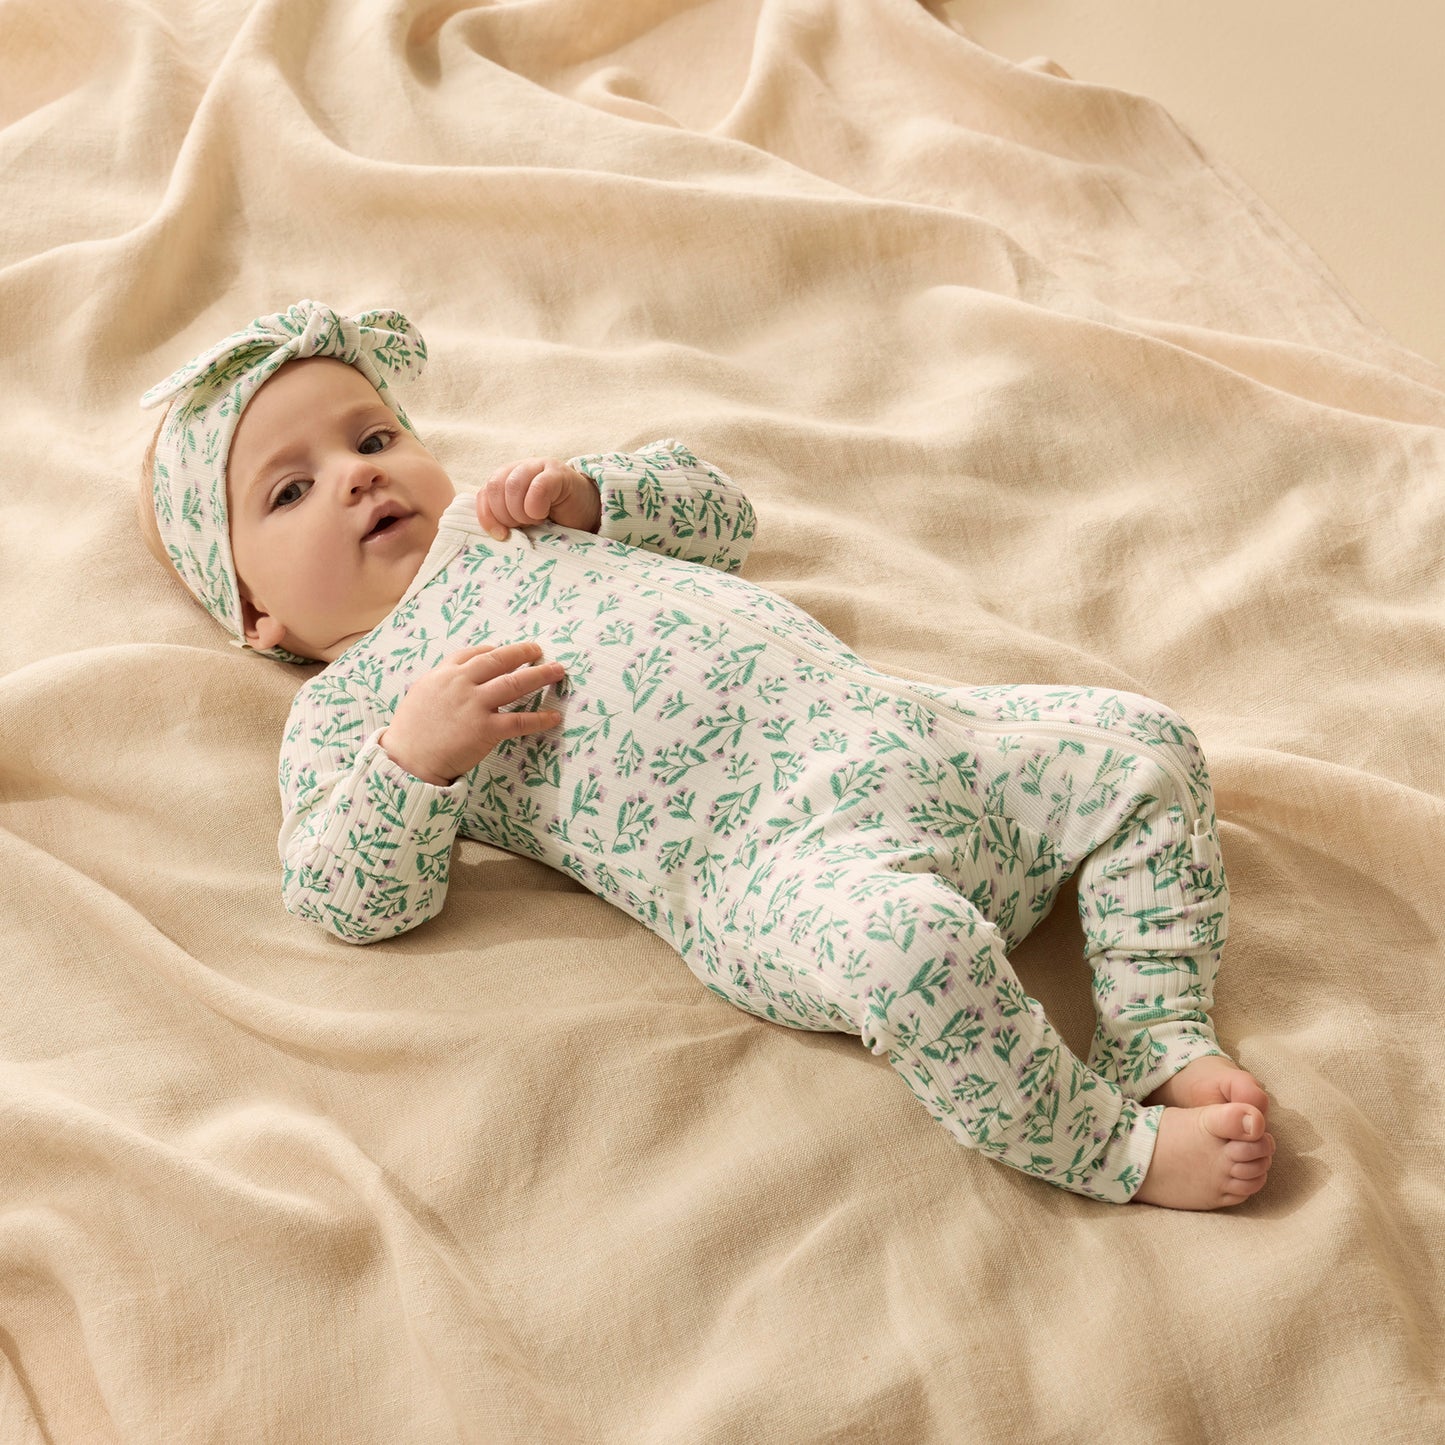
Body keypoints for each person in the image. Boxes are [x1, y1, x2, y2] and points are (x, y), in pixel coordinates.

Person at [137, 299, 1276, 1211]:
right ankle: (1101, 1140)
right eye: (290, 490)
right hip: (772, 861)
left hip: (908, 734)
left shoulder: (509, 519)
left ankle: (1152, 1027)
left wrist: (594, 491)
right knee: (911, 948)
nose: (355, 473)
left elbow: (723, 520)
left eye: (374, 435)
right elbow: (339, 891)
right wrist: (413, 762)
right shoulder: (348, 707)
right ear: (256, 617)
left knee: (1141, 745)